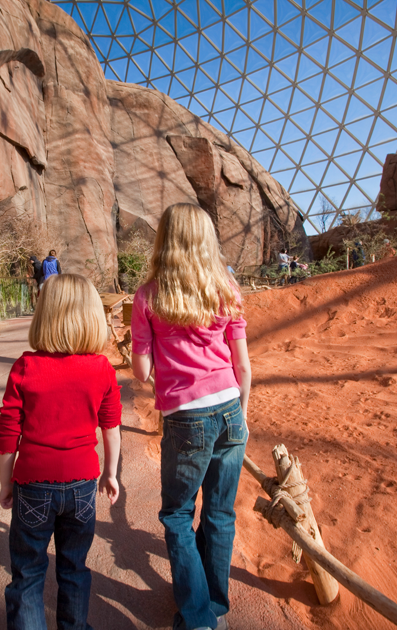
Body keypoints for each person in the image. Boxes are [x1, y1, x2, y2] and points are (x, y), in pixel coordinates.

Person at [130, 203, 251, 630]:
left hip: (187, 417)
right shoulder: (226, 288)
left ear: (165, 238)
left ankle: (199, 616)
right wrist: (243, 417)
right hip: (230, 409)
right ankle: (214, 602)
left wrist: (145, 349)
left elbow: (142, 373)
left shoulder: (149, 295)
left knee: (178, 514)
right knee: (220, 512)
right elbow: (243, 365)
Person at [0, 273, 122, 630]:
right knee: (74, 568)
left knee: (28, 572)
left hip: (33, 484)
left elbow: (8, 434)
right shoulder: (101, 369)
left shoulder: (25, 367)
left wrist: (6, 483)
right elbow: (111, 427)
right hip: (82, 485)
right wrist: (110, 474)